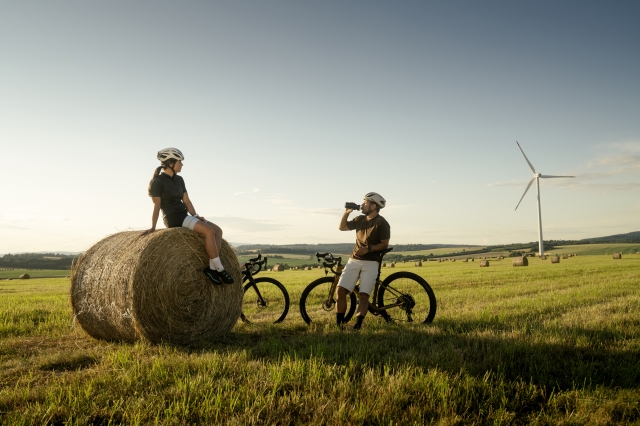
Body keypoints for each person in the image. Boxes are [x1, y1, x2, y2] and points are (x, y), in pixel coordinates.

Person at [141, 148, 234, 285]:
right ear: (171, 163)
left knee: (218, 230)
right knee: (209, 231)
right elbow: (156, 206)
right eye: (180, 162)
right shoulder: (158, 181)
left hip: (184, 215)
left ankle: (212, 268)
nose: (182, 165)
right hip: (173, 217)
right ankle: (220, 269)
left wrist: (196, 216)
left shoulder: (179, 180)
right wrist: (153, 227)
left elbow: (187, 201)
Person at [336, 192, 390, 330]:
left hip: (371, 262)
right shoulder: (360, 219)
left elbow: (384, 244)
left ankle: (357, 326)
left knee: (363, 296)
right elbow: (342, 227)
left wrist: (369, 248)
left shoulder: (382, 223)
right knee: (341, 291)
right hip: (354, 260)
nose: (362, 204)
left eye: (365, 202)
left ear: (373, 206)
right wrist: (347, 212)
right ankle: (339, 325)